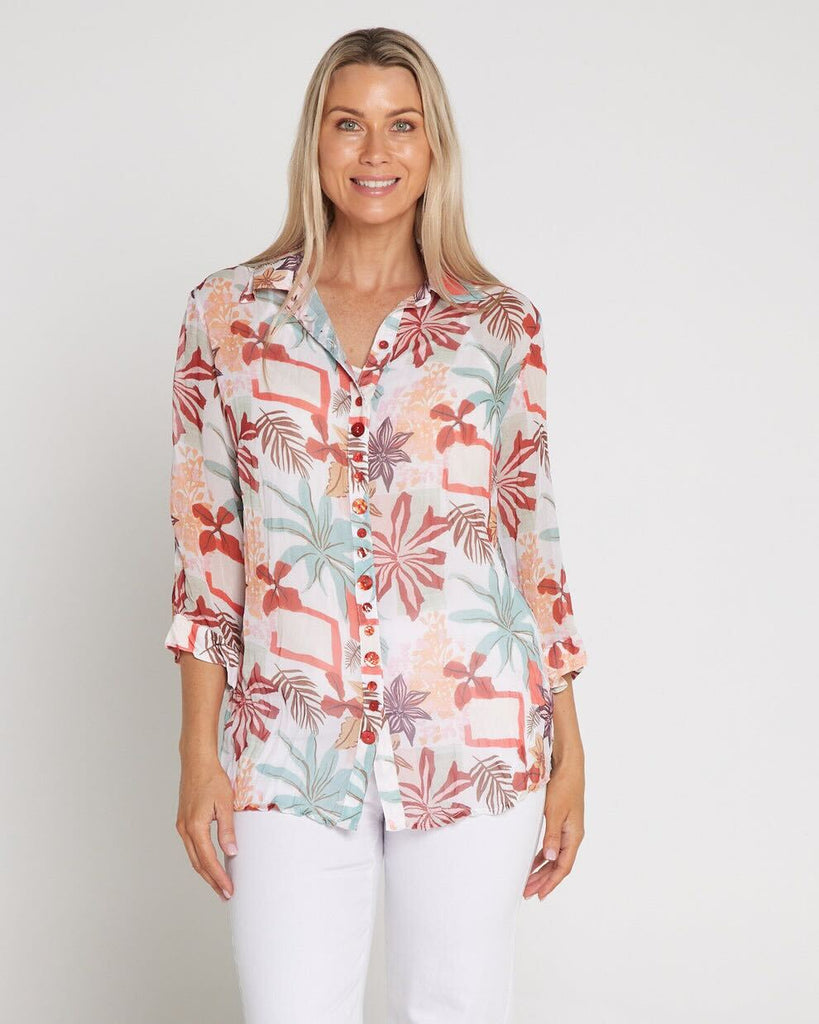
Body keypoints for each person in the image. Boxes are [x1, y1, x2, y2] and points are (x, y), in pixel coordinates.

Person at [165, 26, 589, 1024]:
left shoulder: (498, 327)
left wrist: (570, 750)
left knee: (457, 1007)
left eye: (402, 126)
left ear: (433, 147)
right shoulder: (228, 316)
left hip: (477, 734)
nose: (375, 152)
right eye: (348, 124)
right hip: (286, 740)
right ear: (314, 142)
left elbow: (530, 545)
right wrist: (197, 755)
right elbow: (206, 552)